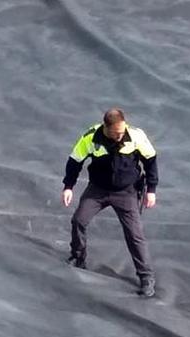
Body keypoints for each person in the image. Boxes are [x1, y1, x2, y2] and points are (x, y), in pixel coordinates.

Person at [62, 108, 158, 297]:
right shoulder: (91, 138)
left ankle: (146, 277)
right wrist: (68, 186)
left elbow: (151, 160)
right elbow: (75, 161)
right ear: (106, 127)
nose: (120, 135)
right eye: (116, 133)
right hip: (98, 190)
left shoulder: (135, 136)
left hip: (126, 192)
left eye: (122, 131)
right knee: (78, 221)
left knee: (134, 234)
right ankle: (78, 256)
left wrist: (151, 190)